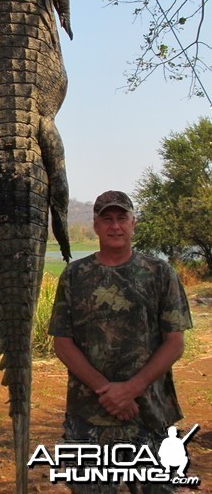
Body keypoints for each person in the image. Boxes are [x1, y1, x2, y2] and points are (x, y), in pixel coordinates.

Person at [48, 190, 193, 493]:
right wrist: (107, 392)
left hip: (149, 414)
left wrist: (131, 389)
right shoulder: (75, 275)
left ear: (133, 223)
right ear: (96, 226)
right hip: (88, 417)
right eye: (107, 219)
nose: (115, 226)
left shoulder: (160, 273)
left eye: (121, 218)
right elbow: (62, 342)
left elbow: (174, 342)